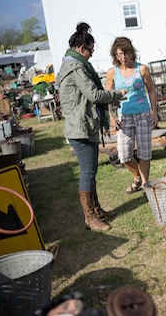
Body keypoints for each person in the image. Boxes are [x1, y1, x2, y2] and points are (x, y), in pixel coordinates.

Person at [56, 22, 127, 231]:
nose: (91, 55)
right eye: (90, 50)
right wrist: (117, 94)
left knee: (91, 171)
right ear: (81, 48)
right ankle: (89, 218)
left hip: (84, 126)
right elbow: (94, 95)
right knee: (87, 173)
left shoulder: (73, 65)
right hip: (80, 129)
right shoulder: (76, 67)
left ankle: (95, 210)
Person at [105, 37, 158, 194]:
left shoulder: (141, 69)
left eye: (126, 53)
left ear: (131, 52)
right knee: (124, 154)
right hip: (124, 116)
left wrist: (154, 112)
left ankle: (145, 184)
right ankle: (137, 177)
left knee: (144, 152)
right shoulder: (112, 73)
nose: (123, 57)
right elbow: (107, 96)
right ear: (115, 55)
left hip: (142, 114)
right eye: (119, 54)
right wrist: (111, 116)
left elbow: (151, 91)